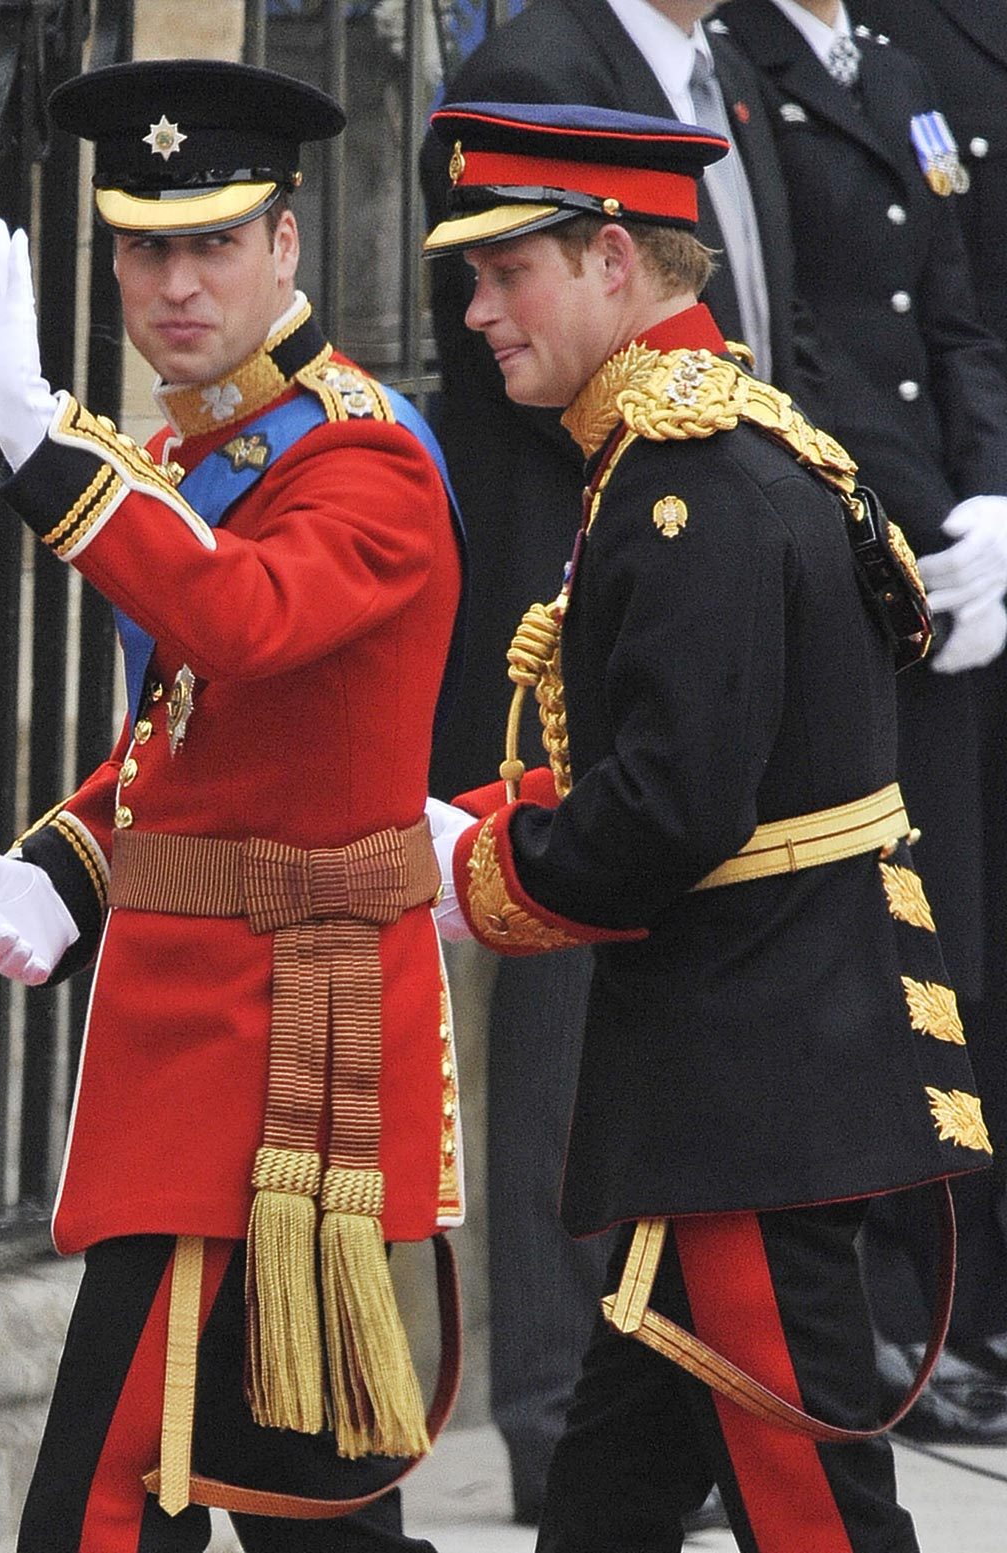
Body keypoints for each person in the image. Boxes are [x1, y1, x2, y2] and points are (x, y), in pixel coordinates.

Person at [422, 96, 992, 1549]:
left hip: (752, 1076)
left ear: (616, 258)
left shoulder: (687, 483)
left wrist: (475, 865)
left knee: (819, 1518)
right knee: (606, 1502)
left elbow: (673, 809)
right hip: (742, 1071)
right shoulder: (706, 439)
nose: (478, 311)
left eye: (508, 272)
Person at [0, 58, 464, 1553]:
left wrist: (49, 452)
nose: (173, 281)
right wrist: (71, 858)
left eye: (212, 239)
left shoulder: (360, 458)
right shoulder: (189, 453)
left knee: (105, 1504)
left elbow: (244, 622)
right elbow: (191, 739)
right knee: (307, 1517)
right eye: (144, 245)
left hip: (287, 1057)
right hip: (212, 1040)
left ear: (287, 245)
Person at [418, 0, 826, 1522]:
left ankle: (611, 1394)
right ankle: (542, 1389)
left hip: (717, 585)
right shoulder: (538, 64)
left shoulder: (724, 75)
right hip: (581, 579)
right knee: (563, 1037)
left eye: (512, 266)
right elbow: (516, 361)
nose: (478, 298)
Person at [724, 0, 1007, 1444]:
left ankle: (946, 1298)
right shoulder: (741, 61)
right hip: (846, 560)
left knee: (946, 936)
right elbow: (791, 337)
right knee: (861, 942)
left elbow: (949, 315)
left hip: (953, 567)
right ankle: (881, 1316)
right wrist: (878, 521)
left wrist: (995, 501)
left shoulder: (889, 69)